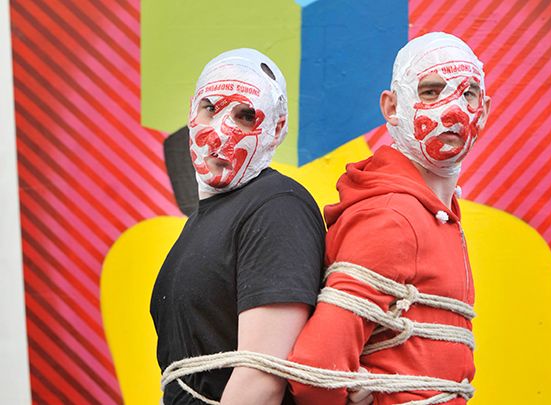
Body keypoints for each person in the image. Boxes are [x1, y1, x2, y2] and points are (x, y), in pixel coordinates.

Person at [288, 32, 491, 404]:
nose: (453, 110)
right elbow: (314, 371)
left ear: (486, 110)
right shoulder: (393, 217)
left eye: (468, 94)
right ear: (392, 106)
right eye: (431, 92)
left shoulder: (432, 213)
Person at [150, 49, 325, 405]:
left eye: (246, 116)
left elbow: (261, 379)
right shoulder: (204, 219)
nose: (220, 133)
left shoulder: (277, 207)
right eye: (210, 108)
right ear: (191, 111)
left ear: (276, 130)